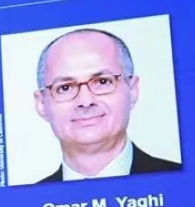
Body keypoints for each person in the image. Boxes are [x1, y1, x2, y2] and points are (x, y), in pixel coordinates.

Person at [32, 28, 180, 183]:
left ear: (133, 90)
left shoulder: (185, 182)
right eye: (65, 88)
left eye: (103, 81)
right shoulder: (27, 202)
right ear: (42, 104)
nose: (85, 101)